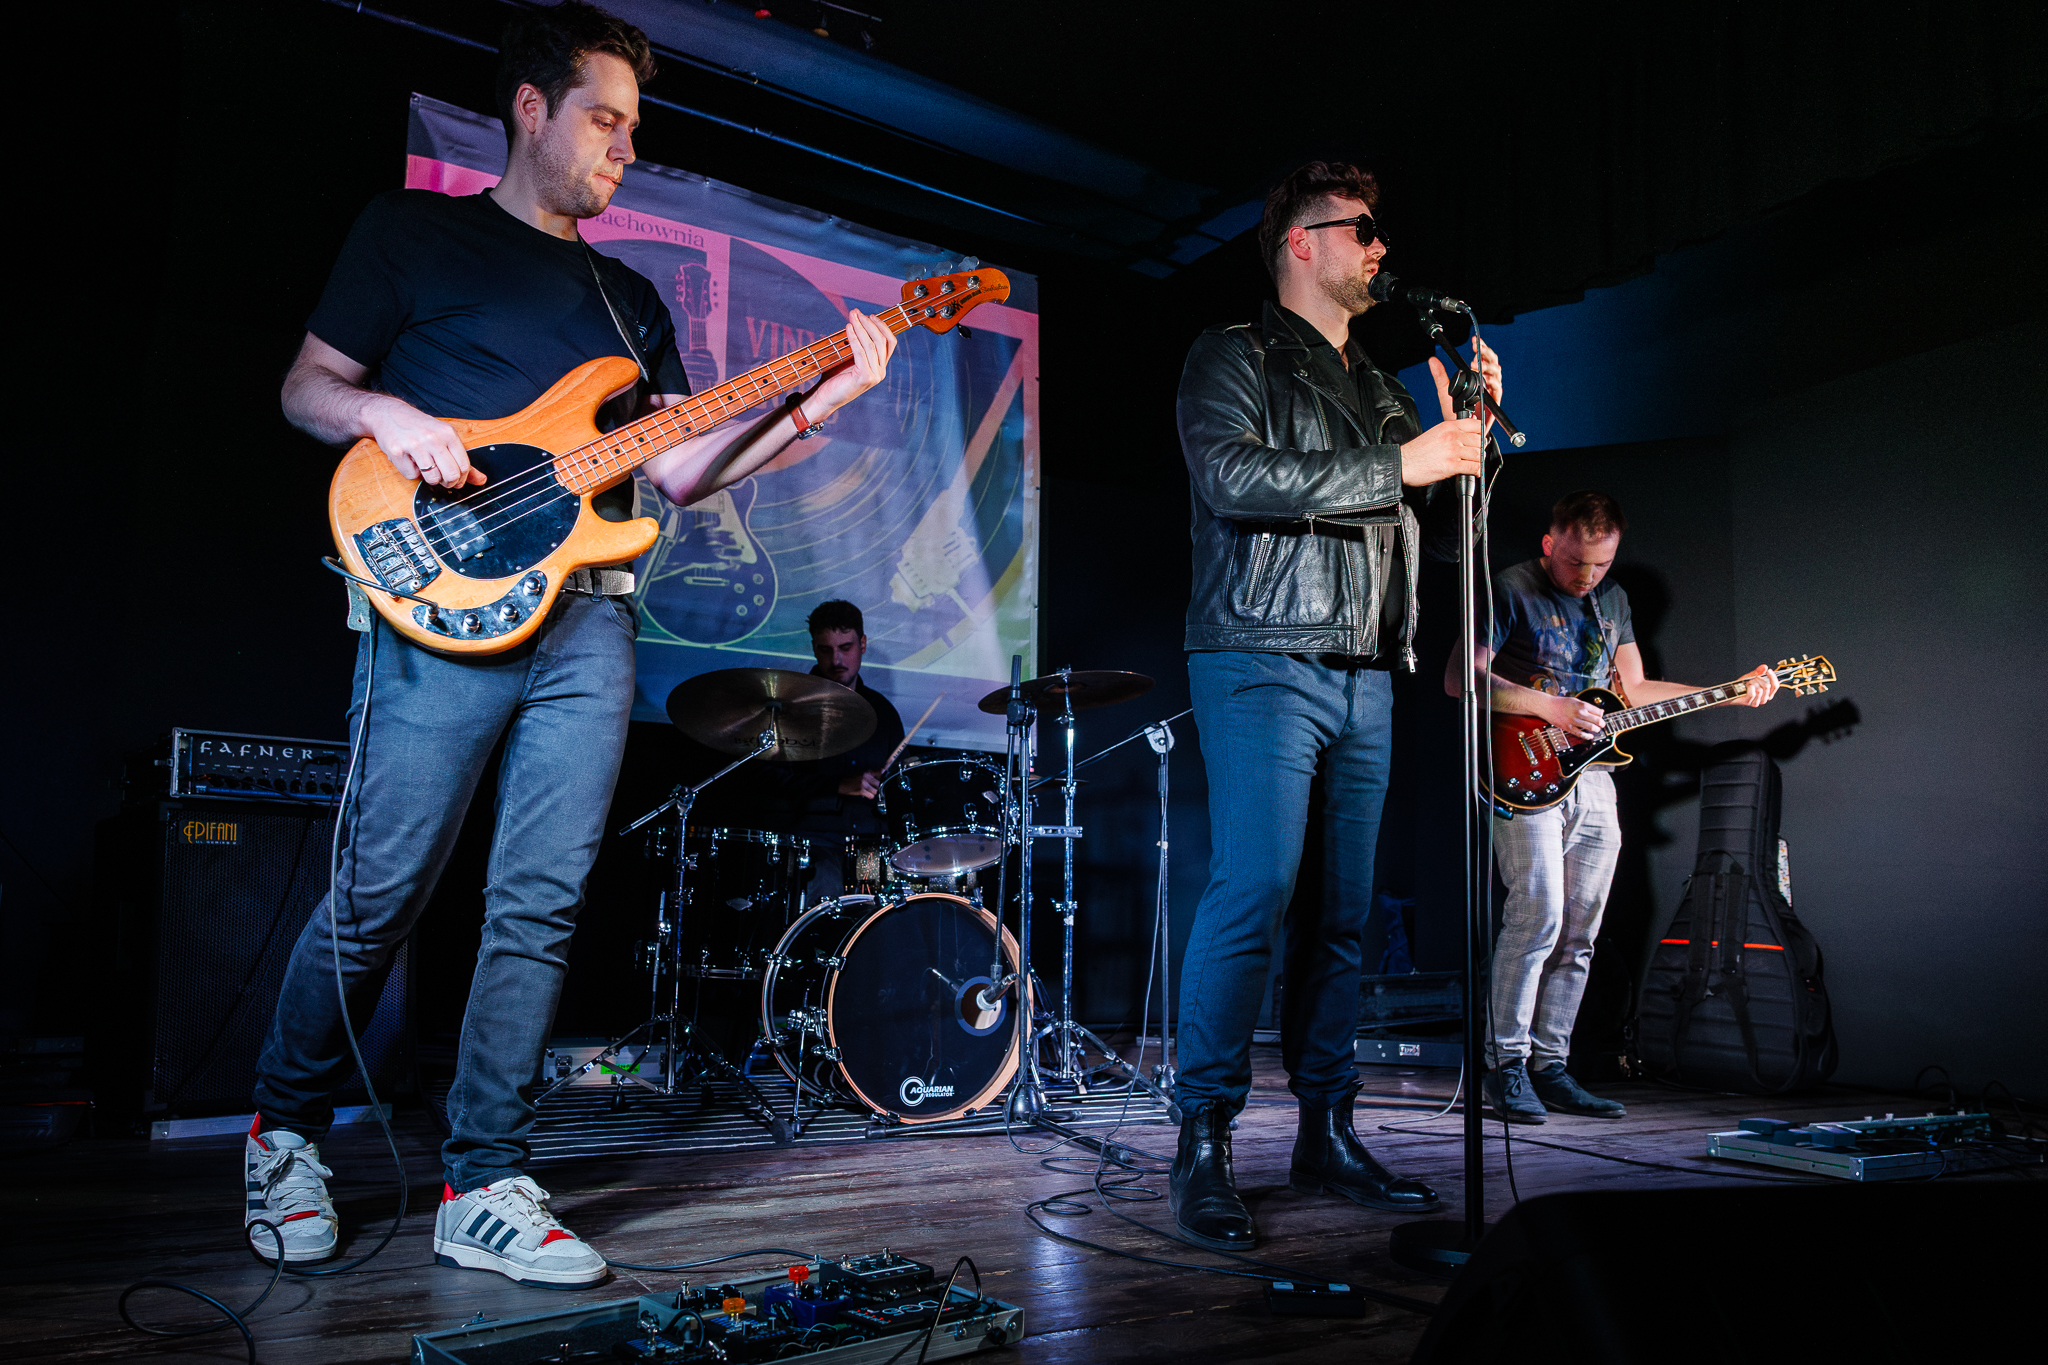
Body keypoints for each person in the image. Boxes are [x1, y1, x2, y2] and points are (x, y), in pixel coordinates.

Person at [245, 1, 897, 1288]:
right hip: (442, 599)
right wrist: (384, 416)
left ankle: (484, 1179)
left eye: (633, 129)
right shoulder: (412, 231)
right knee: (380, 891)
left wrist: (822, 398)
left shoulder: (628, 297)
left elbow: (684, 473)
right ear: (531, 108)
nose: (624, 149)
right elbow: (305, 385)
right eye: (604, 120)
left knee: (538, 903)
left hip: (589, 619)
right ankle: (283, 1134)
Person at [1170, 161, 1497, 1251]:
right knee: (1257, 886)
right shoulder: (1233, 353)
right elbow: (1231, 477)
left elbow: (1442, 536)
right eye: (1360, 229)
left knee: (1343, 913)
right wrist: (1400, 462)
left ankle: (1326, 1129)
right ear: (1300, 243)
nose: (1379, 247)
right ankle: (1203, 1138)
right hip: (1259, 651)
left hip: (1366, 667)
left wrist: (1470, 440)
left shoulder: (1384, 386)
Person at [1449, 490, 1779, 1124]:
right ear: (1550, 543)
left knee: (1580, 929)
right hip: (1522, 767)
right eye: (1576, 562)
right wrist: (1550, 707)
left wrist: (1728, 693)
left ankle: (1550, 1066)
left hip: (1595, 776)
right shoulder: (1510, 588)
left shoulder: (1613, 601)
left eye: (1601, 564)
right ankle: (1504, 1064)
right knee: (1538, 916)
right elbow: (1461, 675)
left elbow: (1634, 688)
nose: (1587, 576)